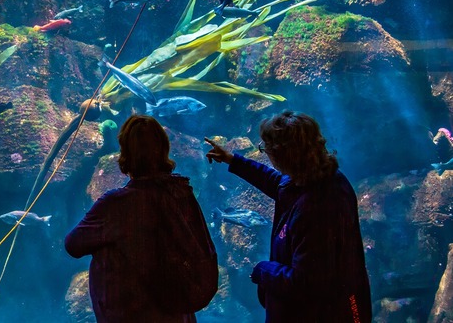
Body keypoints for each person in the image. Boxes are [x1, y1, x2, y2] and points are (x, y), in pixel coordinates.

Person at [205, 110, 372, 323]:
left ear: (284, 155)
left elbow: (304, 283)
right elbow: (277, 183)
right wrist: (233, 160)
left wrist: (262, 270)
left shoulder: (316, 208)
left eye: (266, 149)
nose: (264, 153)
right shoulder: (318, 178)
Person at [65, 115, 214, 323]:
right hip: (177, 315)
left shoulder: (115, 204)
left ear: (125, 154)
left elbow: (73, 245)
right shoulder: (182, 194)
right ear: (164, 149)